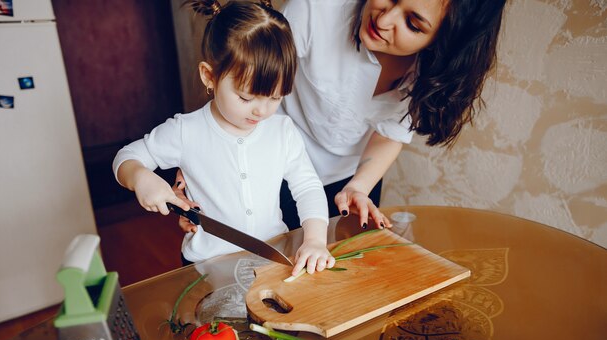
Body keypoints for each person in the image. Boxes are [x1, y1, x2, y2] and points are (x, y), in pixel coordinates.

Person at [171, 0, 507, 232]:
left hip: (350, 183)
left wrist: (358, 188)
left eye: (412, 23)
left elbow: (390, 134)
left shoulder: (429, 72)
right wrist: (205, 159)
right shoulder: (319, 9)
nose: (385, 20)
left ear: (442, 41)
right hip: (267, 167)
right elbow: (244, 91)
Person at [113, 0, 335, 276]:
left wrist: (314, 240)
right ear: (210, 76)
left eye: (275, 98)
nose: (260, 110)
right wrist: (140, 177)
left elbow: (307, 187)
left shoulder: (283, 131)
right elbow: (126, 157)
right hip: (207, 266)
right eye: (245, 97)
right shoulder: (186, 131)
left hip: (272, 258)